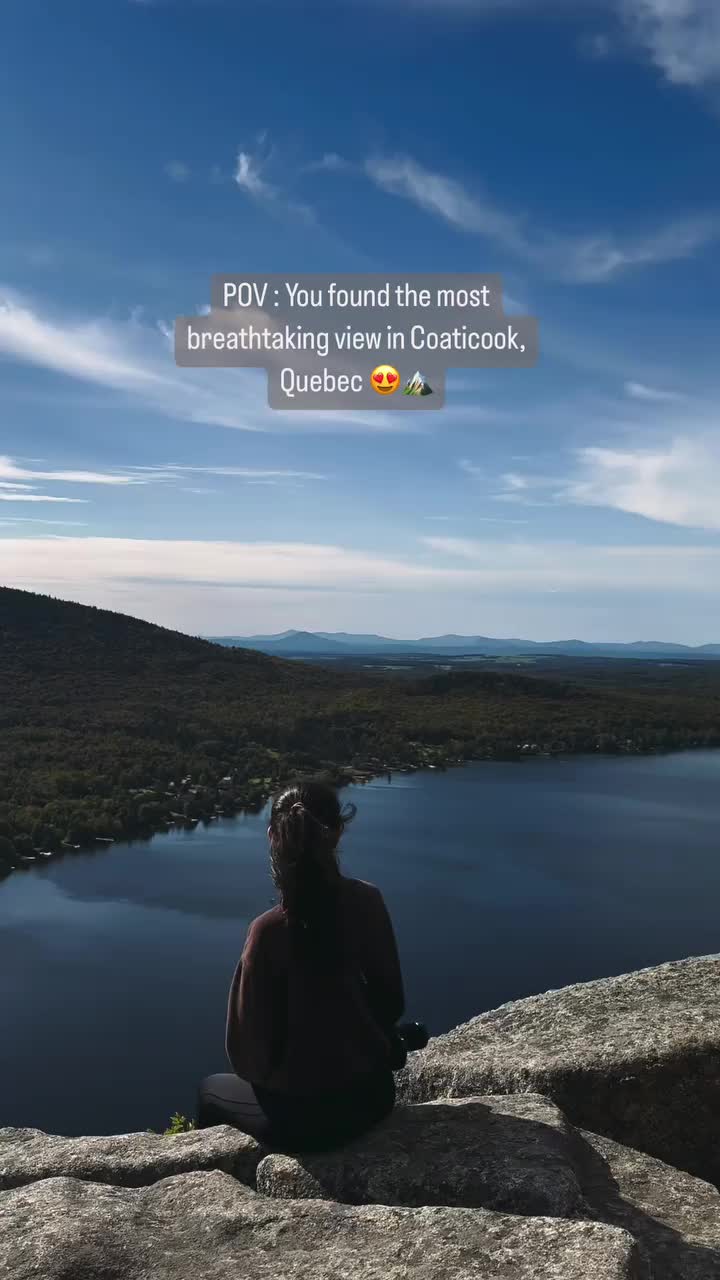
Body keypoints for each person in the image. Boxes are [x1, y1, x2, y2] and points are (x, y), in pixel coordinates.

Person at [197, 776, 408, 1151]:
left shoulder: (268, 931)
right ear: (338, 833)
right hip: (373, 1100)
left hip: (303, 1119)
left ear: (272, 837)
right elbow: (391, 1004)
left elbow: (248, 1058)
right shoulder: (369, 901)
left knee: (211, 1089)